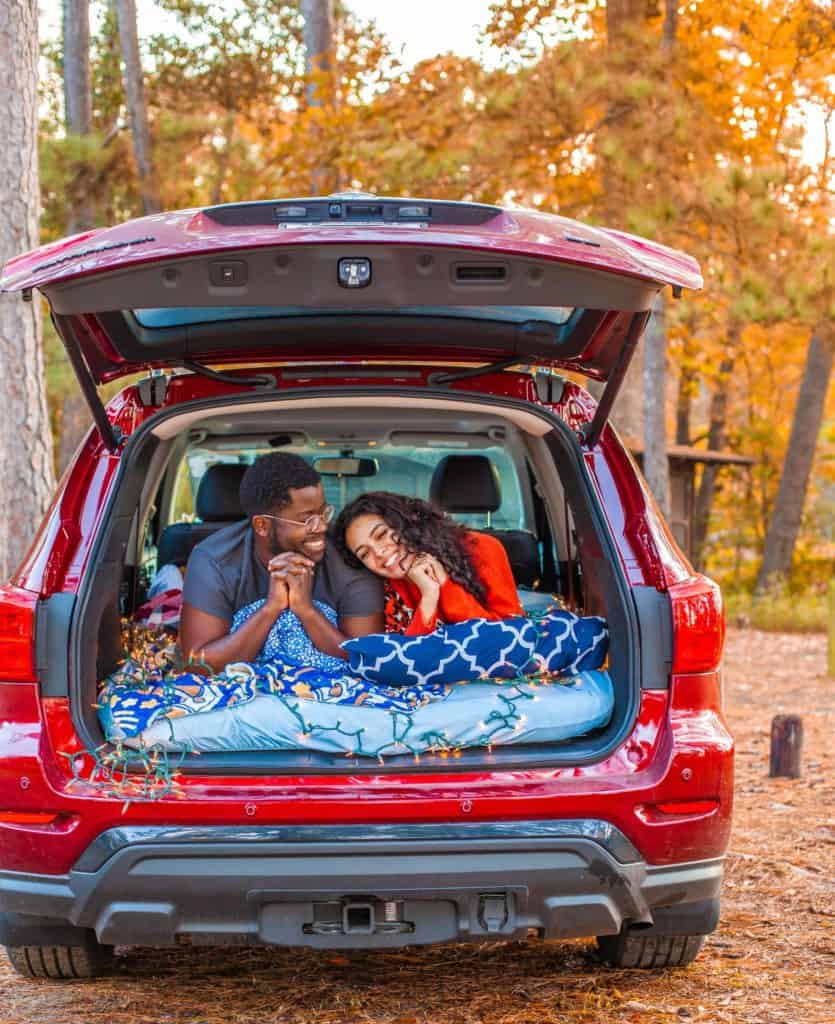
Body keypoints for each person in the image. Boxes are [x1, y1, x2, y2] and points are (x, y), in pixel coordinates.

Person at [179, 453, 384, 672]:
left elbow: (368, 662)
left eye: (324, 513)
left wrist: (307, 611)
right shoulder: (214, 559)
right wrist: (271, 608)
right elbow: (196, 665)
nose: (322, 526)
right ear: (262, 526)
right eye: (307, 519)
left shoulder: (350, 558)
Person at [333, 491, 523, 635]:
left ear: (405, 521)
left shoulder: (481, 548)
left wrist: (445, 585)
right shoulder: (384, 587)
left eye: (382, 534)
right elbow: (409, 657)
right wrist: (429, 597)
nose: (379, 553)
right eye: (365, 553)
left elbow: (508, 636)